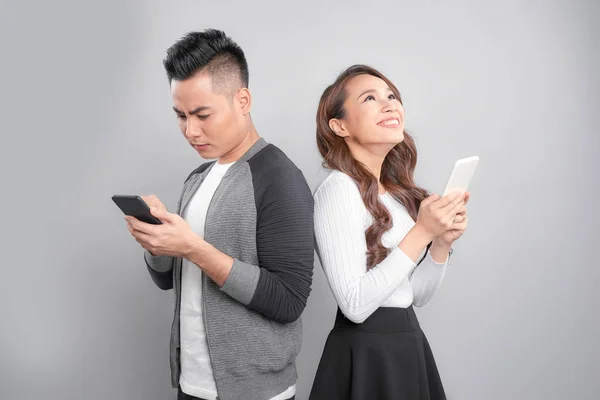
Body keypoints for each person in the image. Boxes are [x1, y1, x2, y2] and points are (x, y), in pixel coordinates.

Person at [124, 29, 314, 400]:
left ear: (242, 99)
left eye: (202, 114)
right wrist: (158, 245)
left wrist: (193, 247)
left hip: (257, 392)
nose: (190, 130)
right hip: (191, 384)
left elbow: (289, 300)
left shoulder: (280, 178)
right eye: (180, 115)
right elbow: (169, 281)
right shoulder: (197, 179)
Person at [309, 65, 469, 400]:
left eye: (392, 96)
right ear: (339, 126)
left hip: (407, 343)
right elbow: (354, 305)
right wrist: (421, 232)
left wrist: (439, 243)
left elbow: (415, 297)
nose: (390, 105)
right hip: (366, 354)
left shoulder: (395, 196)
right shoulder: (338, 188)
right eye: (370, 98)